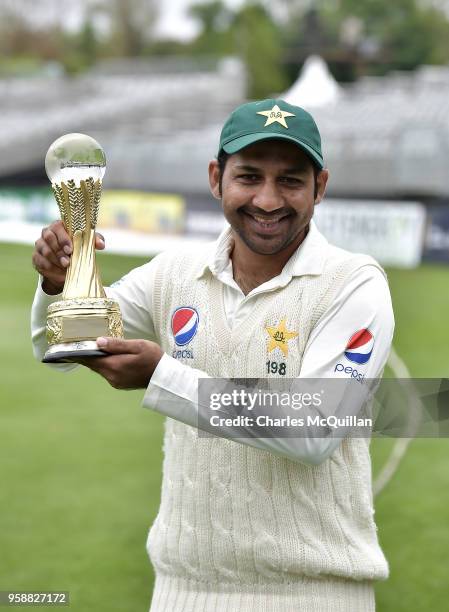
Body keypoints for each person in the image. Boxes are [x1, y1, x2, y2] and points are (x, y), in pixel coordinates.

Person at [31, 98, 394, 611]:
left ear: (321, 187)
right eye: (248, 177)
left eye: (290, 180)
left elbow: (313, 428)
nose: (268, 200)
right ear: (215, 178)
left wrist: (162, 376)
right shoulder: (175, 272)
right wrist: (58, 283)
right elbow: (59, 348)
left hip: (316, 595)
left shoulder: (353, 283)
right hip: (182, 592)